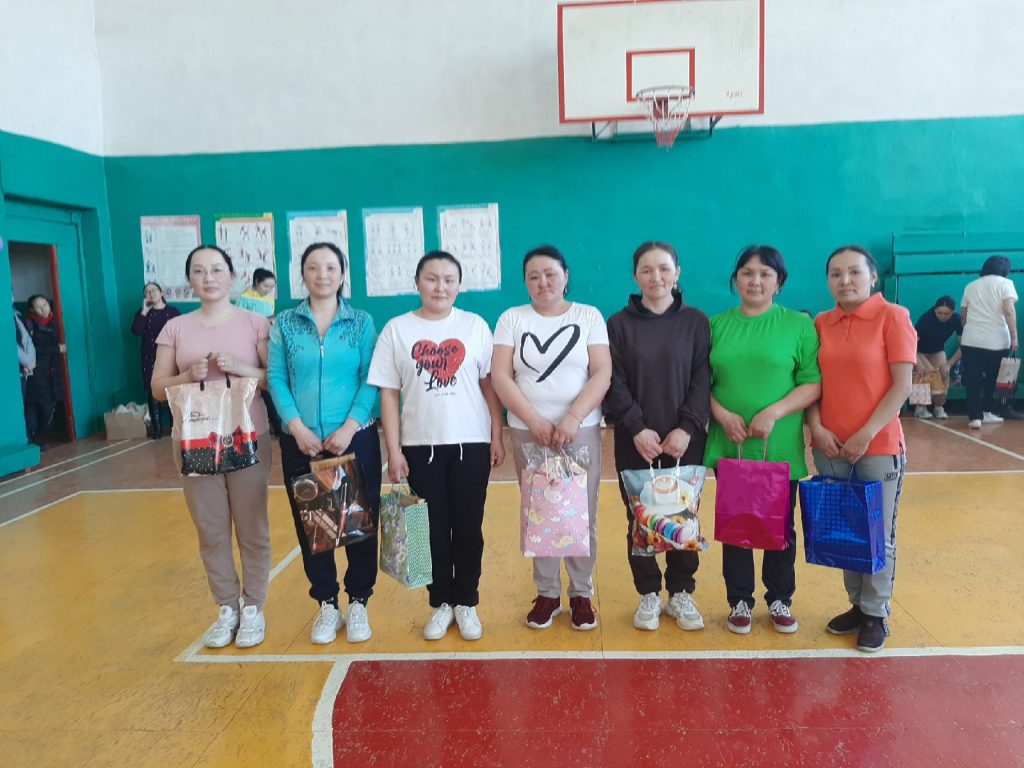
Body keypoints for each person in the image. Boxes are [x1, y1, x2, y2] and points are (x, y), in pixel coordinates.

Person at [368, 251, 505, 642]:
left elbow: (489, 387)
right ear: (417, 282)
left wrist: (497, 435)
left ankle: (467, 601)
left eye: (449, 279)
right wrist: (394, 451)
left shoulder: (475, 326)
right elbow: (389, 394)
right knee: (427, 529)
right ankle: (440, 602)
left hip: (471, 444)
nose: (440, 286)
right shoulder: (396, 329)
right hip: (419, 446)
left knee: (468, 527)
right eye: (431, 278)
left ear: (459, 285)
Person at [151, 245, 273, 649]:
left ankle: (253, 607)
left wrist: (241, 369)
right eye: (200, 271)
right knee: (211, 529)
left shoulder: (255, 323)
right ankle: (226, 608)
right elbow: (157, 388)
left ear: (232, 276)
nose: (209, 278)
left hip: (247, 437)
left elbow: (273, 379)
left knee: (252, 528)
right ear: (190, 279)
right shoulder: (175, 329)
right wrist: (187, 374)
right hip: (195, 440)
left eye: (217, 270)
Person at [491, 245, 612, 631]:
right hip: (529, 432)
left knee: (581, 511)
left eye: (550, 274)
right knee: (539, 511)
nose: (543, 282)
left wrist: (573, 417)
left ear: (565, 276)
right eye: (534, 276)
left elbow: (602, 372)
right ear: (525, 282)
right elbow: (501, 376)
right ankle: (546, 593)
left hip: (580, 430)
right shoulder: (512, 318)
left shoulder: (588, 316)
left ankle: (581, 592)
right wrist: (533, 420)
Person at [703, 246, 821, 635]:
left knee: (779, 525)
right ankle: (739, 599)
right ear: (735, 279)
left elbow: (812, 382)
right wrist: (722, 415)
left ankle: (779, 598)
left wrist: (774, 412)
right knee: (736, 522)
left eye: (765, 274)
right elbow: (700, 383)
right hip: (732, 442)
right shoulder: (715, 325)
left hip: (779, 445)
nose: (755, 281)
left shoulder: (798, 325)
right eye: (747, 273)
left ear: (779, 282)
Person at [268, 243, 382, 645]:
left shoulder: (361, 322)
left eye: (331, 267)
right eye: (313, 267)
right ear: (302, 274)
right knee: (314, 527)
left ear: (342, 274)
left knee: (359, 526)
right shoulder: (285, 323)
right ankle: (327, 604)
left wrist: (350, 426)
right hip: (302, 442)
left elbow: (371, 377)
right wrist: (296, 427)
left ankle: (359, 601)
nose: (322, 274)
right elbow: (276, 378)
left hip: (353, 438)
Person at [807, 244, 915, 653]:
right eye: (836, 274)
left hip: (878, 447)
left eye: (854, 272)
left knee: (877, 534)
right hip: (830, 448)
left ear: (873, 276)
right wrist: (816, 427)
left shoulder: (893, 317)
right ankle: (856, 603)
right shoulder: (822, 322)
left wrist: (866, 433)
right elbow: (812, 384)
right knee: (846, 530)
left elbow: (901, 386)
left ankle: (875, 612)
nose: (845, 280)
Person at [604, 241, 711, 633]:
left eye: (664, 268)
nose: (656, 277)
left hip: (686, 440)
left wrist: (687, 427)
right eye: (646, 270)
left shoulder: (696, 321)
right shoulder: (618, 324)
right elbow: (613, 380)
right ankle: (648, 593)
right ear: (635, 276)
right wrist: (636, 427)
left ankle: (681, 592)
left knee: (683, 516)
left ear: (677, 272)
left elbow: (703, 377)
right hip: (636, 441)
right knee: (641, 517)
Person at [960, 256, 1019, 428]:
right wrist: (1014, 337)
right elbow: (1008, 310)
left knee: (973, 378)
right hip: (997, 340)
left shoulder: (971, 286)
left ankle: (974, 417)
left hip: (971, 339)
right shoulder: (1006, 284)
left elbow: (963, 314)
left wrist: (970, 328)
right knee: (993, 378)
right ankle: (987, 411)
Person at [130, 282, 181, 438]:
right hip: (149, 357)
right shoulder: (143, 313)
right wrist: (144, 311)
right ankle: (157, 429)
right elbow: (136, 330)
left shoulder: (173, 312)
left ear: (161, 293)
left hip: (170, 357)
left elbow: (181, 333)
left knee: (172, 391)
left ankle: (174, 428)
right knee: (153, 391)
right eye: (147, 292)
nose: (151, 293)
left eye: (153, 290)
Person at [23, 295, 63, 446]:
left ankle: (41, 435)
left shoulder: (57, 321)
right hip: (35, 374)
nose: (43, 309)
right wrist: (57, 349)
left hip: (53, 373)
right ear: (32, 310)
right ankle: (35, 437)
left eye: (45, 304)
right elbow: (33, 350)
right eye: (39, 307)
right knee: (35, 405)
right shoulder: (28, 325)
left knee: (49, 406)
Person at [912, 296, 961, 420]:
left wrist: (949, 364)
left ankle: (939, 406)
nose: (942, 316)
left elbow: (964, 345)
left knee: (943, 373)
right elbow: (911, 344)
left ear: (953, 312)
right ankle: (920, 407)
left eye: (946, 314)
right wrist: (918, 362)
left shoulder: (956, 320)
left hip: (937, 349)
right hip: (918, 350)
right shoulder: (926, 319)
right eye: (939, 313)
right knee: (924, 373)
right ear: (934, 310)